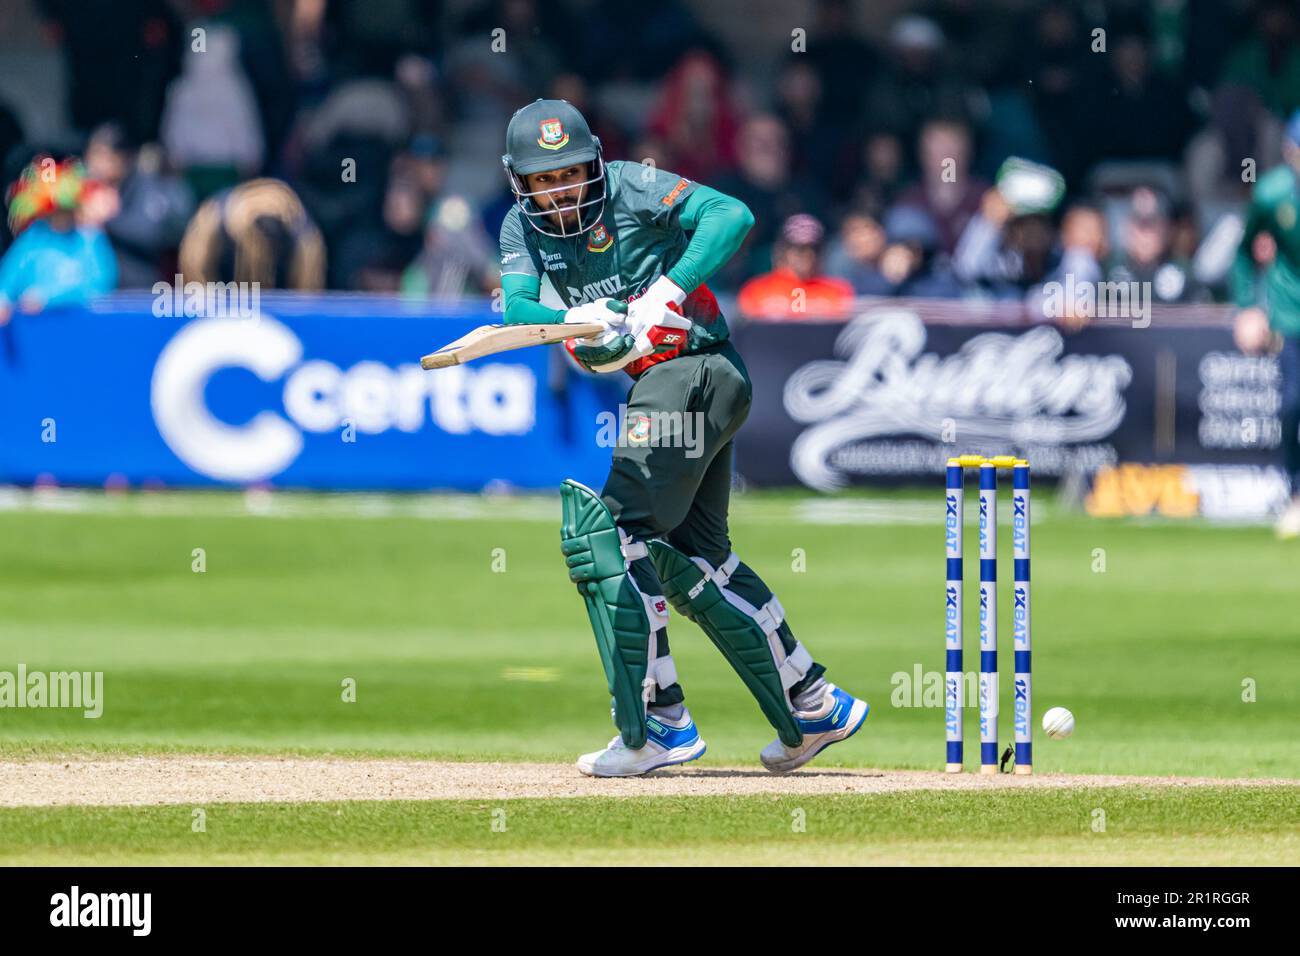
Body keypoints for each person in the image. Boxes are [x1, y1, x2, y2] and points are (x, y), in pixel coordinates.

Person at [496, 99, 868, 776]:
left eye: (571, 173)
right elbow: (517, 306)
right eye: (543, 180)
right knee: (698, 558)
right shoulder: (522, 227)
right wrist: (579, 318)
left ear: (595, 164)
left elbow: (733, 216)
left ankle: (658, 724)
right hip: (684, 383)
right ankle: (813, 701)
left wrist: (666, 290)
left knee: (608, 534)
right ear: (520, 181)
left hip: (692, 368)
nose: (559, 191)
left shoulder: (636, 187)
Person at [1232, 111, 1300, 538]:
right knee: (1292, 405)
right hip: (1292, 315)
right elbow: (1242, 254)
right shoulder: (1273, 195)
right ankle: (1296, 496)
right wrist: (1248, 308)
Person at [737, 214, 855, 319]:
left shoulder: (838, 291)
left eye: (814, 248)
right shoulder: (755, 290)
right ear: (784, 251)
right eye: (799, 249)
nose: (808, 254)